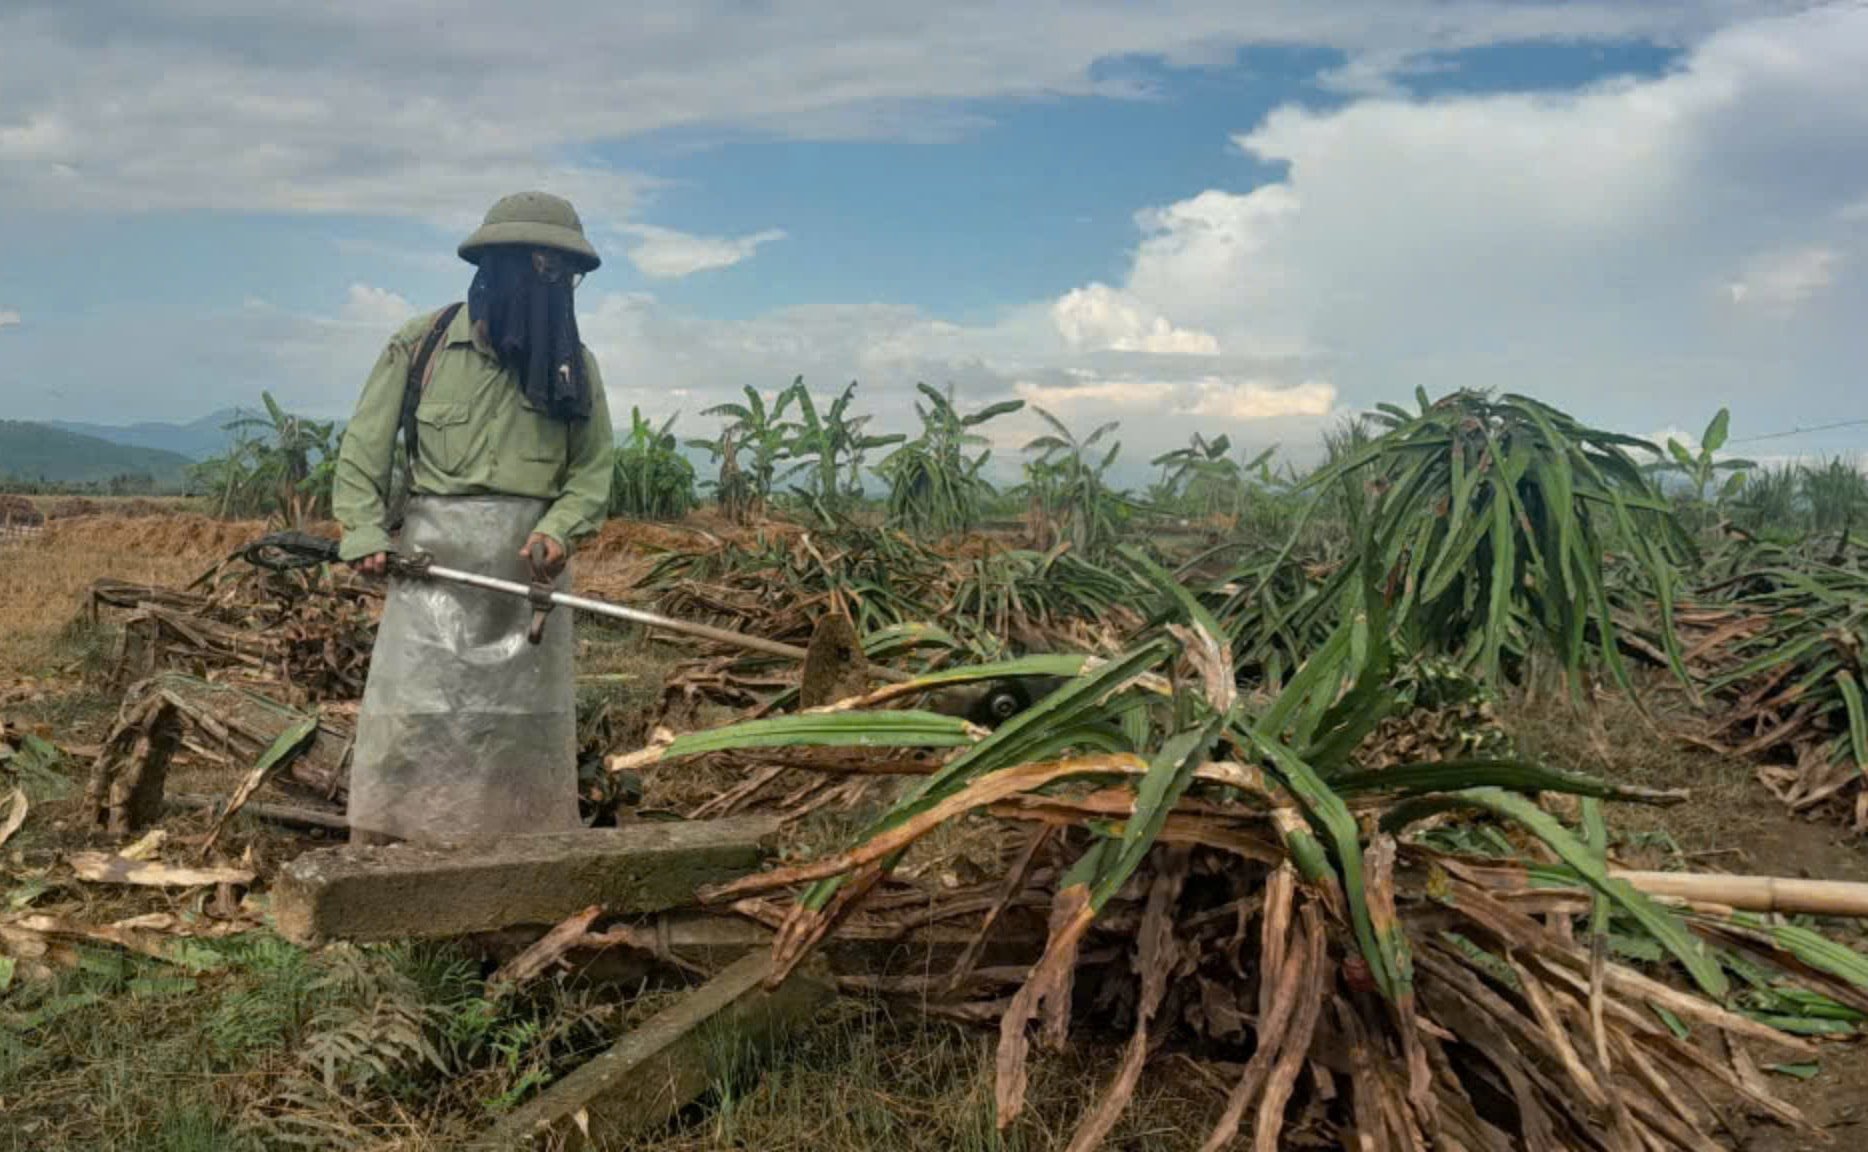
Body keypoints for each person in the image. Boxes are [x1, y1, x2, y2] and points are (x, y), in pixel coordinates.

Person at [332, 191, 614, 844]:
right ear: (502, 269)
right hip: (433, 568)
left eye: (564, 276)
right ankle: (393, 857)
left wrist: (557, 530)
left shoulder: (575, 367)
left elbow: (593, 470)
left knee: (517, 728)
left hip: (528, 581)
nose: (556, 288)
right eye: (542, 270)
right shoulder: (421, 344)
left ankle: (518, 860)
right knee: (416, 716)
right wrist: (365, 532)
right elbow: (363, 452)